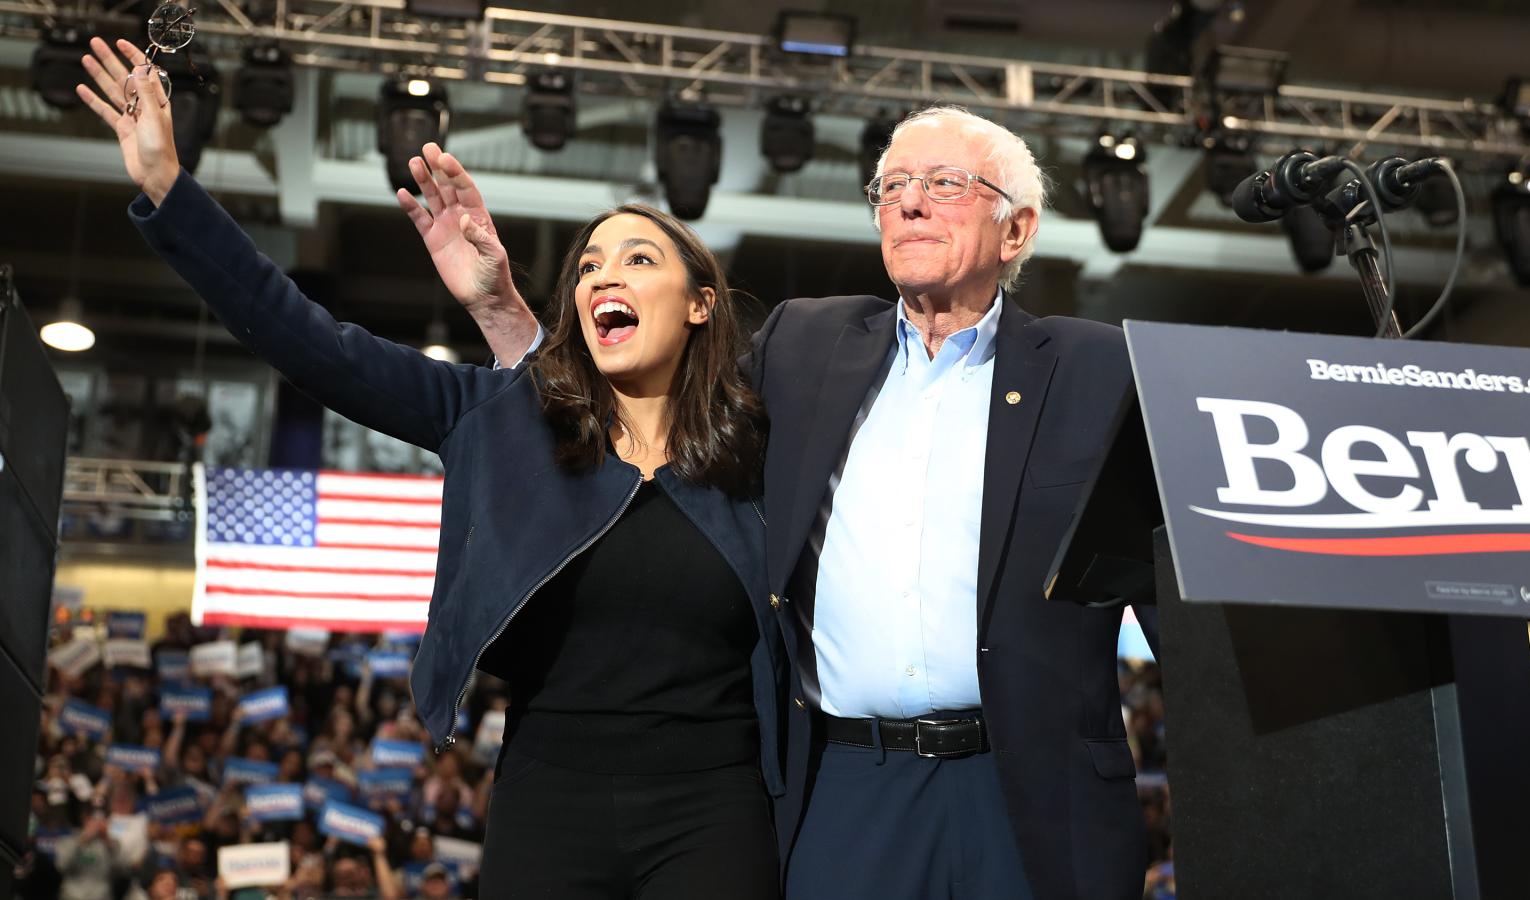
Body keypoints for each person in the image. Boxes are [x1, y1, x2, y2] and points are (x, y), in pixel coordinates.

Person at [76, 36, 784, 900]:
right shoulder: (501, 423)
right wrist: (168, 193)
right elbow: (309, 341)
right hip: (548, 804)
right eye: (589, 264)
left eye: (640, 258)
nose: (605, 274)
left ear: (701, 303)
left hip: (715, 806)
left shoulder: (758, 447)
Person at [454, 105, 1156, 898]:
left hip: (1034, 790)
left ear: (1017, 230)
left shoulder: (1103, 371)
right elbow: (653, 412)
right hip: (849, 788)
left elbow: (1181, 604)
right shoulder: (801, 345)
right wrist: (503, 316)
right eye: (891, 187)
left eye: (944, 183)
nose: (910, 202)